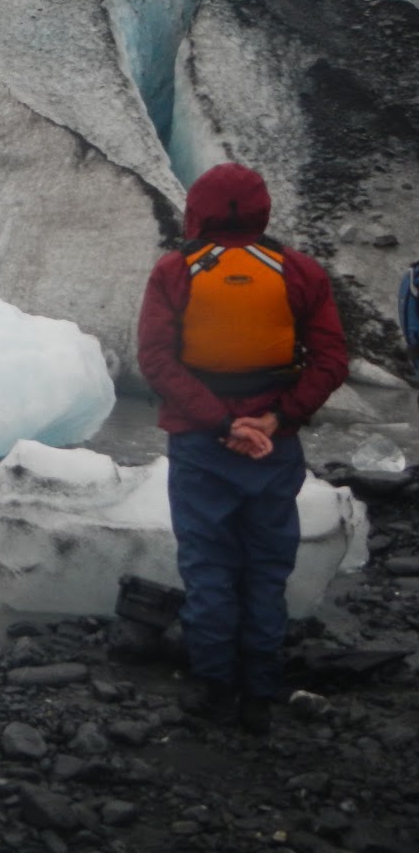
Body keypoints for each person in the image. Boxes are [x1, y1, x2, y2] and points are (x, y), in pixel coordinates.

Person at [136, 162, 348, 736]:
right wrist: (276, 419)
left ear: (199, 209)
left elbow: (157, 359)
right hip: (271, 447)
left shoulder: (176, 272)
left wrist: (221, 423)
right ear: (261, 209)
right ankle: (258, 691)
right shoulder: (298, 271)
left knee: (208, 567)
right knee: (265, 568)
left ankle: (212, 688)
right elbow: (330, 360)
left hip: (202, 444)